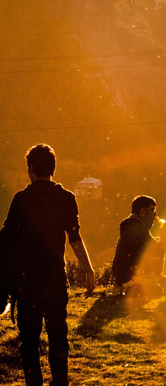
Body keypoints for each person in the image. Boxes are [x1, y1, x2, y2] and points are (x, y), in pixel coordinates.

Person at [1, 144, 95, 386]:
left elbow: (6, 238)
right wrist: (88, 269)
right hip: (54, 277)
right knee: (57, 333)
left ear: (30, 168)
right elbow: (74, 237)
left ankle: (34, 382)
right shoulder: (66, 198)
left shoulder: (21, 199)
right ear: (53, 168)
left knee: (29, 337)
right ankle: (60, 380)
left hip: (26, 280)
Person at [111, 195, 166, 299]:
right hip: (132, 277)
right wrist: (164, 234)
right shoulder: (137, 228)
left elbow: (148, 243)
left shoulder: (133, 226)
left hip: (125, 277)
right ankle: (133, 289)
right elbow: (159, 250)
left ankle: (129, 288)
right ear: (143, 211)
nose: (155, 214)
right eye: (152, 210)